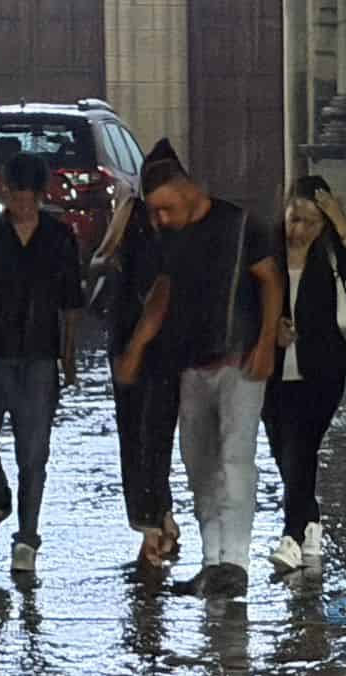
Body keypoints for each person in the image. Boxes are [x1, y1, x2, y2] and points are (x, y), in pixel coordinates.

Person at [115, 140, 284, 600]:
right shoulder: (171, 236)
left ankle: (236, 560)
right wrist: (137, 347)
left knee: (235, 458)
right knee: (200, 465)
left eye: (165, 208)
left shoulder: (240, 224)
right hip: (190, 363)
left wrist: (267, 341)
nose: (160, 220)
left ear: (186, 191)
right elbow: (163, 294)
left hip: (239, 358)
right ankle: (212, 560)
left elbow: (270, 281)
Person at [0, 152, 82, 574]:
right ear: (7, 193)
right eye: (17, 197)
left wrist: (68, 354)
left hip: (39, 357)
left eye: (31, 198)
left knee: (34, 454)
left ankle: (27, 538)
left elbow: (71, 303)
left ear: (41, 196)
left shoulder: (59, 238)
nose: (24, 206)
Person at [263, 176, 346, 573]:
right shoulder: (265, 249)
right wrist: (270, 328)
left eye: (311, 222)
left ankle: (291, 537)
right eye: (295, 219)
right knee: (284, 452)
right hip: (272, 370)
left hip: (322, 370)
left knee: (300, 449)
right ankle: (310, 521)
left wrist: (341, 221)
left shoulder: (328, 253)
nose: (301, 230)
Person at [92, 186, 182, 566]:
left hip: (141, 349)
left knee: (138, 437)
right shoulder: (167, 242)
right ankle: (160, 515)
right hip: (155, 349)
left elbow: (98, 259)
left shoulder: (139, 244)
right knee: (154, 436)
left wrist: (122, 214)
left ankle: (151, 524)